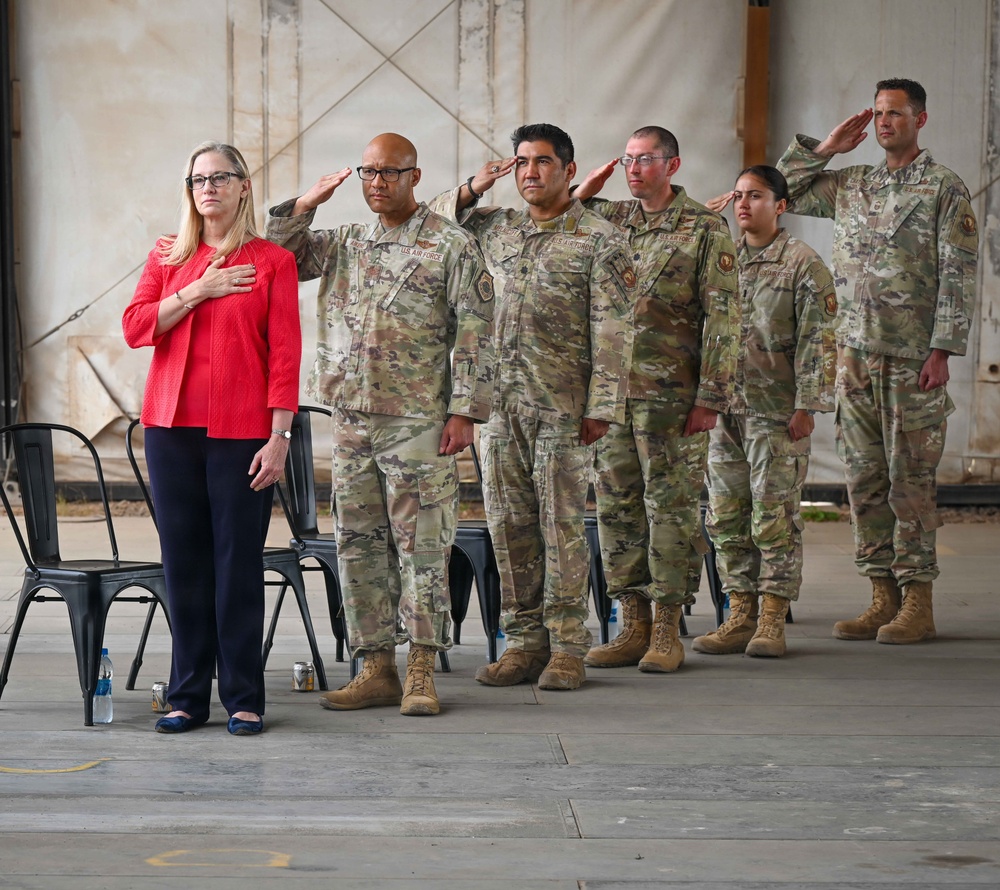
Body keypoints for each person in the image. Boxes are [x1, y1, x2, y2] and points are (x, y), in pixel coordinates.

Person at [265, 133, 495, 716]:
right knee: (359, 544)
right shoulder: (346, 242)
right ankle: (376, 667)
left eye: (389, 173)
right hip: (351, 419)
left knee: (422, 544)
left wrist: (465, 410)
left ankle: (421, 668)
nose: (377, 183)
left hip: (418, 419)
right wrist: (304, 205)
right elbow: (280, 260)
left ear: (416, 177)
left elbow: (476, 331)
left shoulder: (451, 244)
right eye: (368, 173)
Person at [431, 123, 637, 691]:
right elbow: (428, 222)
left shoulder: (600, 239)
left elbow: (615, 329)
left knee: (562, 527)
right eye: (521, 162)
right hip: (497, 408)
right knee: (509, 527)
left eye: (542, 162)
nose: (529, 173)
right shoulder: (496, 230)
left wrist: (602, 406)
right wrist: (474, 187)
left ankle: (568, 646)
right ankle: (523, 642)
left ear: (569, 171)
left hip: (564, 408)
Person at [777, 78, 979, 643]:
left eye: (896, 113)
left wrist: (942, 349)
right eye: (878, 113)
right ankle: (881, 594)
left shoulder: (943, 187)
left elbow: (959, 274)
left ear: (921, 119)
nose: (885, 122)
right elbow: (780, 189)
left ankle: (918, 600)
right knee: (863, 479)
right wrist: (825, 150)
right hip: (853, 357)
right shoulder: (852, 183)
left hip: (913, 356)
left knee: (909, 481)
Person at [123, 141, 302, 735]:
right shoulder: (167, 256)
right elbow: (136, 327)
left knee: (237, 564)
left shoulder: (271, 261)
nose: (210, 188)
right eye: (199, 179)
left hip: (241, 433)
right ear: (189, 190)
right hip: (170, 431)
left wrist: (280, 436)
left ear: (243, 186)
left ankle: (244, 696)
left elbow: (285, 356)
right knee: (184, 565)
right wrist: (198, 288)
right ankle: (186, 696)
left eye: (222, 178)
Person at [569, 126, 739, 674]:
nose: (634, 169)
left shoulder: (705, 228)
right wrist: (588, 186)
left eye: (646, 160)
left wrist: (711, 396)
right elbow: (561, 219)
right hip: (613, 396)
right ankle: (631, 622)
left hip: (674, 397)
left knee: (671, 508)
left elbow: (724, 318)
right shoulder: (612, 220)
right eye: (627, 160)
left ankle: (667, 625)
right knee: (617, 506)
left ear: (674, 165)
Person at [695, 165, 837, 657]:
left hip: (776, 413)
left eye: (755, 196)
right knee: (727, 516)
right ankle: (740, 612)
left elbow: (820, 341)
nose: (742, 204)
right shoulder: (721, 258)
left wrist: (808, 407)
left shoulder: (802, 263)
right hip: (725, 411)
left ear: (779, 206)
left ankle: (772, 617)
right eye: (737, 195)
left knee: (773, 516)